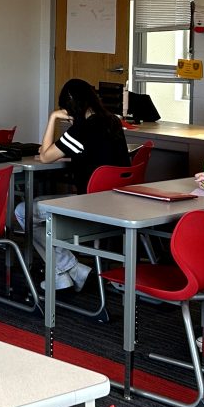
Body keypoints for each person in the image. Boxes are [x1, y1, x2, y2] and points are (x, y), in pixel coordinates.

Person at [14, 78, 129, 291]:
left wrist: (52, 119)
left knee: (24, 211)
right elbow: (97, 155)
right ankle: (70, 271)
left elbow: (45, 155)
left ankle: (67, 270)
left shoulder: (81, 130)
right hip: (117, 205)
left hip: (88, 208)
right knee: (41, 213)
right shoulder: (112, 121)